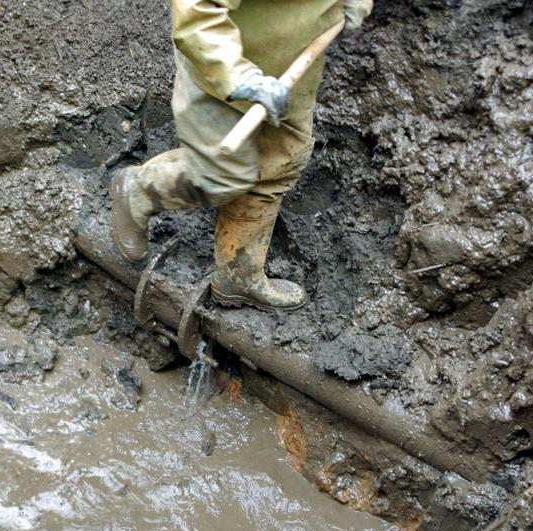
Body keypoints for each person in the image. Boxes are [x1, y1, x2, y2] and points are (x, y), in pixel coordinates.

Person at [110, 0, 373, 312]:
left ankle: (238, 275)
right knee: (220, 175)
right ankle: (141, 190)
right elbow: (197, 11)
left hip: (292, 71)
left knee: (278, 164)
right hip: (222, 76)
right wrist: (241, 79)